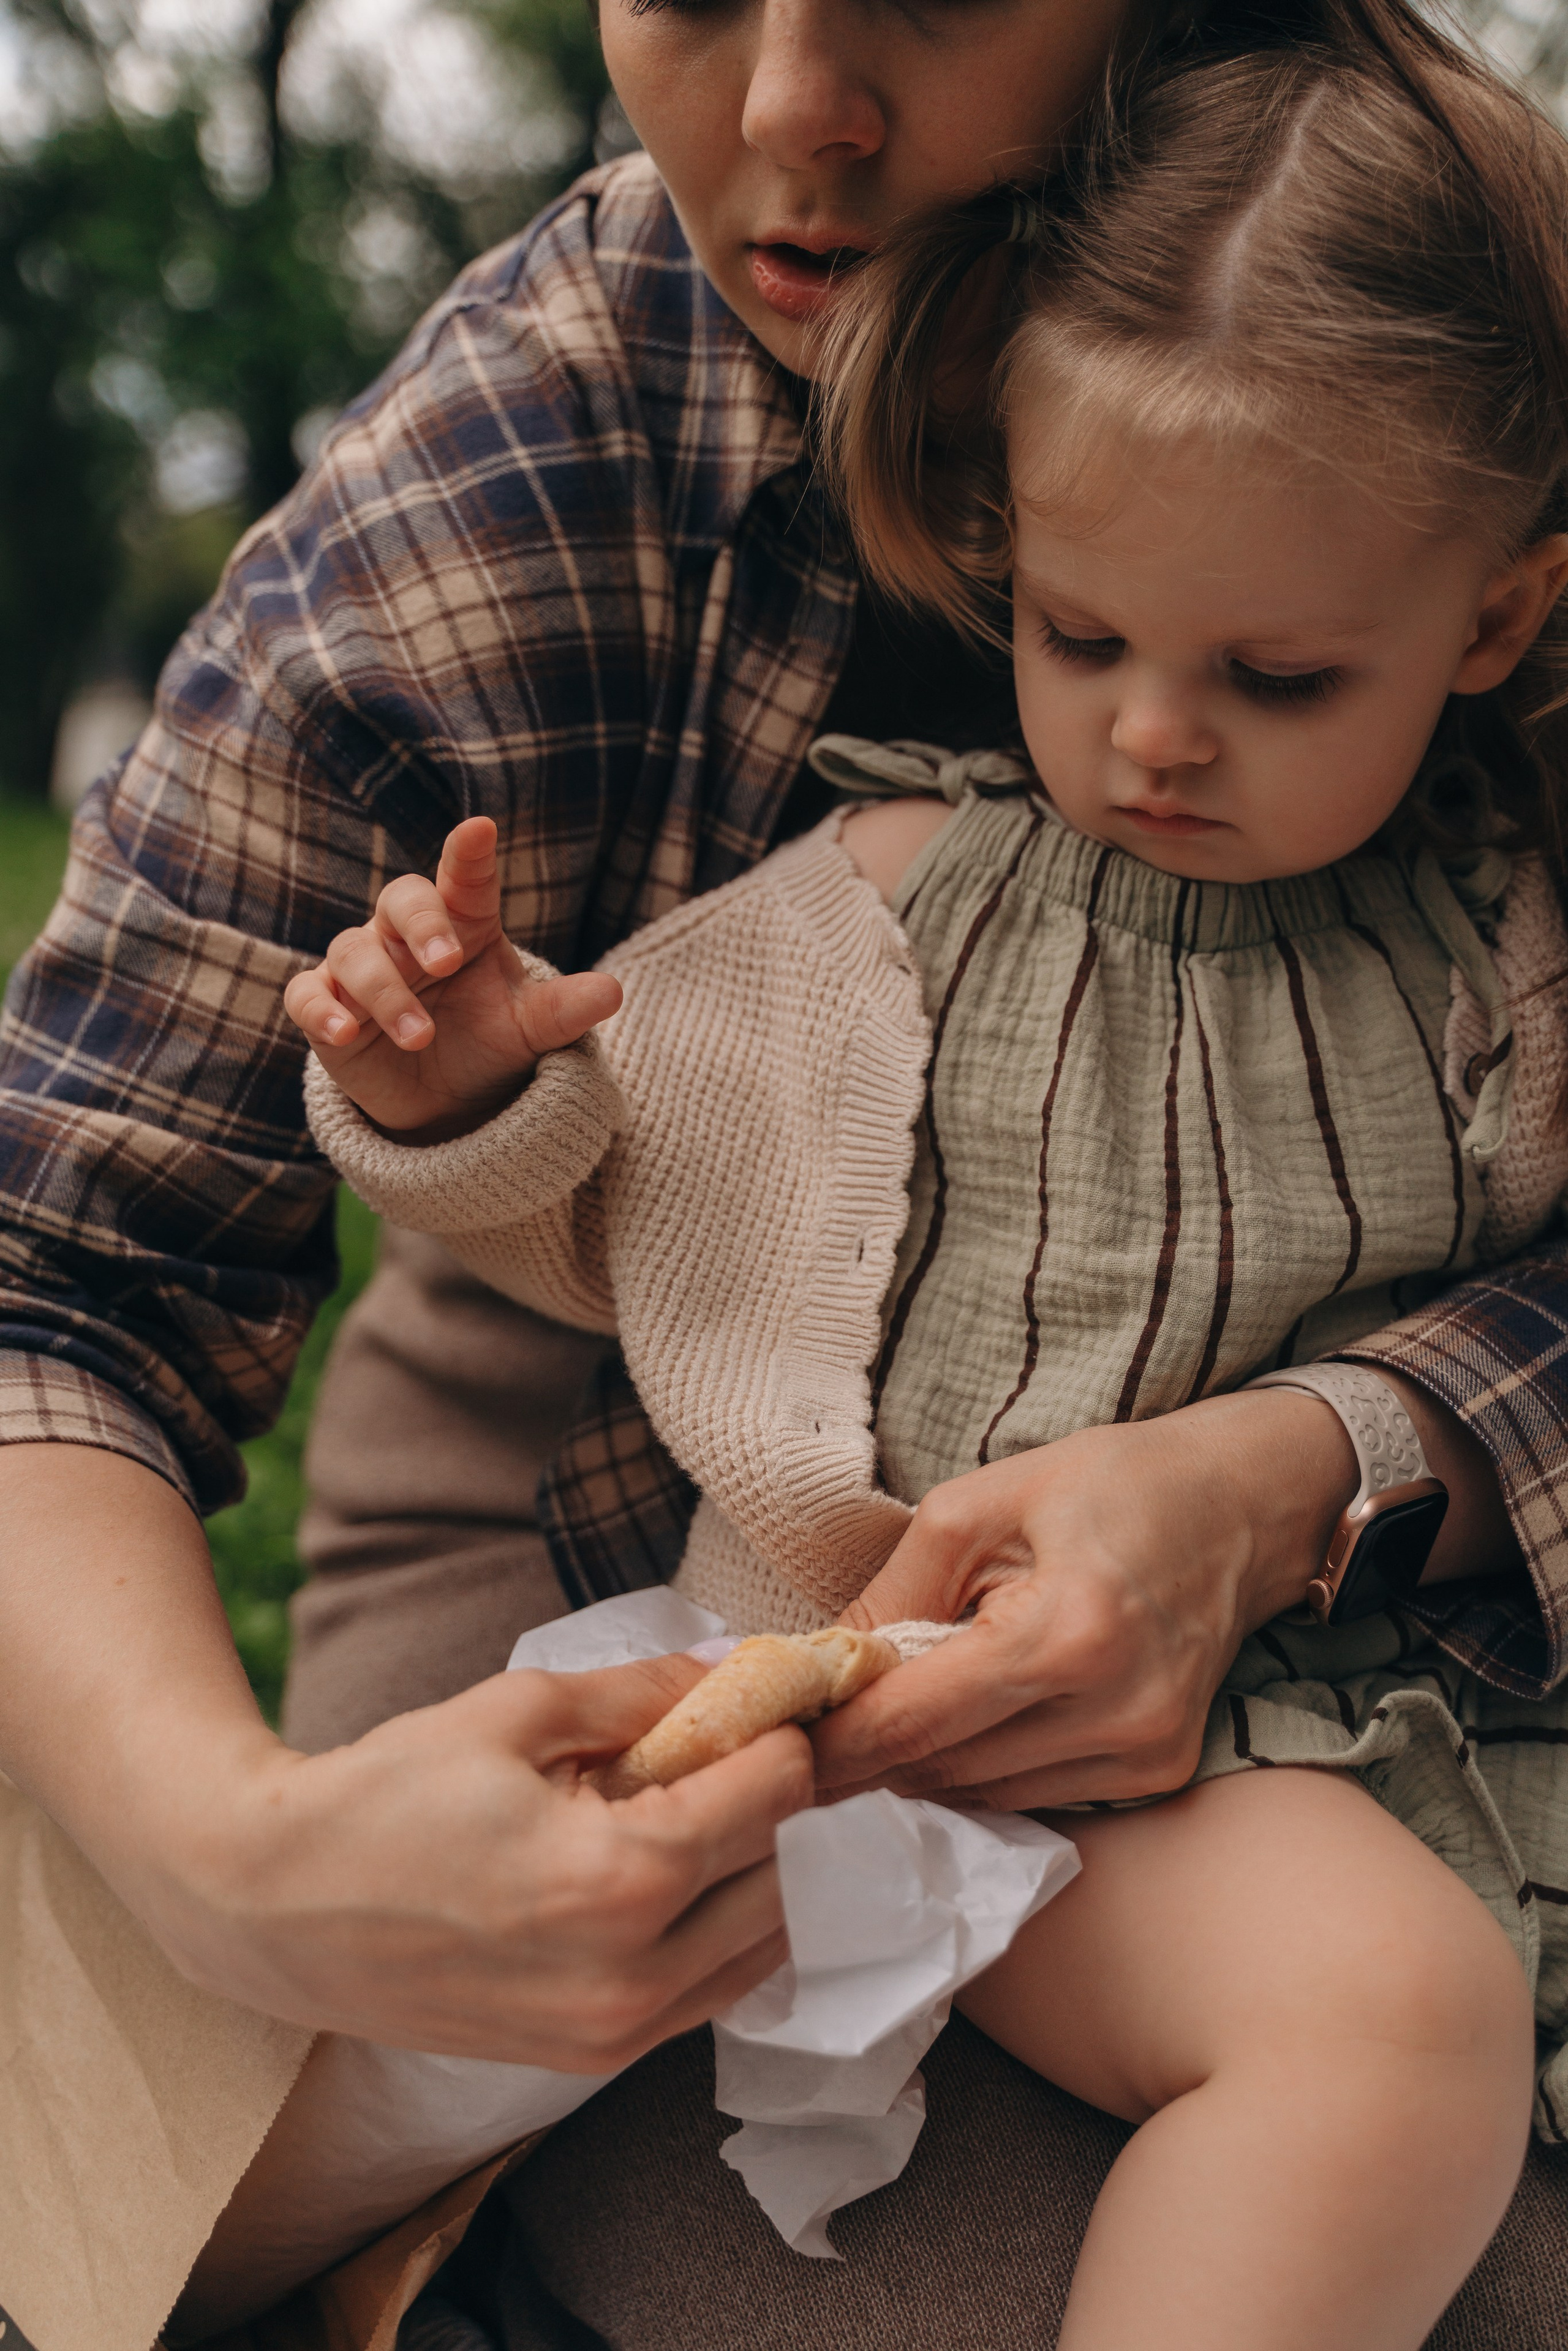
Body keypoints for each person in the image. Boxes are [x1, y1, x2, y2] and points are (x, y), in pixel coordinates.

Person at [0, 1, 1563, 2344]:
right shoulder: (536, 485)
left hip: (1419, 1645)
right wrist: (247, 1865)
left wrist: (1325, 1458)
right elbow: (62, 1264)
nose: (787, 112)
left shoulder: (1471, 331)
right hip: (670, 1514)